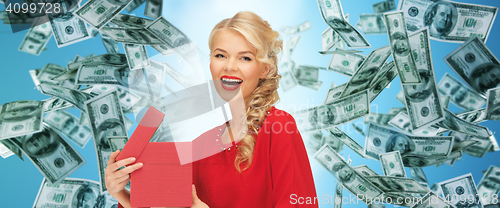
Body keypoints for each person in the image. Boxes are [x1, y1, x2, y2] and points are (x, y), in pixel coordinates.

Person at [106, 11, 318, 208]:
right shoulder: (202, 144)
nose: (229, 66)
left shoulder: (279, 126)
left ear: (264, 69)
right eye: (220, 55)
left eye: (245, 57)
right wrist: (120, 193)